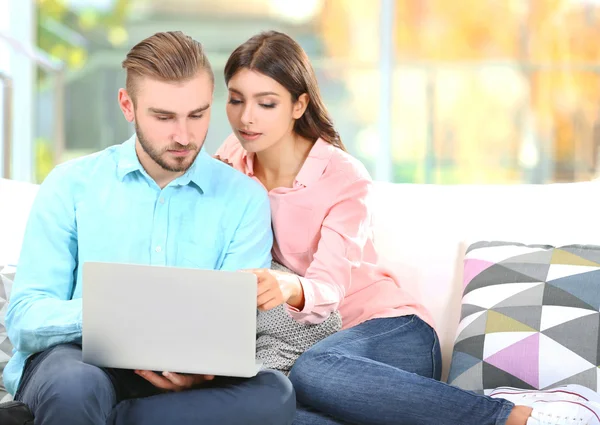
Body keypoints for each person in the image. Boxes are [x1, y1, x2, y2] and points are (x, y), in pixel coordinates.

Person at [215, 30, 600, 425]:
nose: (246, 117)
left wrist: (289, 287)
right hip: (316, 351)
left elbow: (329, 287)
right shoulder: (231, 158)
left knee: (312, 372)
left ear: (299, 105)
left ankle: (516, 418)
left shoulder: (342, 176)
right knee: (284, 413)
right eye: (236, 99)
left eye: (266, 103)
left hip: (391, 335)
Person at [4, 31, 295, 425]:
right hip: (82, 359)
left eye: (197, 114)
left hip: (190, 377)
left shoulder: (244, 199)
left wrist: (200, 370)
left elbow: (233, 326)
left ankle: (113, 418)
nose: (184, 136)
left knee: (274, 396)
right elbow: (25, 318)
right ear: (128, 105)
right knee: (75, 387)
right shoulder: (71, 184)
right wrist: (116, 315)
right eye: (163, 117)